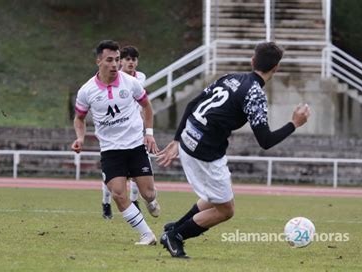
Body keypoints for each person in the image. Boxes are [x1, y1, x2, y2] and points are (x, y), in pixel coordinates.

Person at [156, 42, 311, 258]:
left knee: (215, 198)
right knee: (226, 210)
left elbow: (193, 103)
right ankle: (176, 236)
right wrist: (294, 123)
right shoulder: (255, 94)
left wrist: (177, 139)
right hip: (205, 151)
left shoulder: (230, 77)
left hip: (189, 138)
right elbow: (265, 140)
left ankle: (176, 227)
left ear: (252, 61)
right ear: (275, 68)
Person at [71, 40, 161, 245]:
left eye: (117, 59)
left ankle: (153, 199)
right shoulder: (87, 90)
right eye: (109, 60)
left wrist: (149, 133)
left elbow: (147, 106)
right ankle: (147, 235)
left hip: (136, 145)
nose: (114, 64)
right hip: (111, 150)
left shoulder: (131, 83)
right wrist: (80, 137)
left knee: (147, 193)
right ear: (99, 61)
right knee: (119, 194)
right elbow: (79, 118)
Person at [101, 45, 146, 219]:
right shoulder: (113, 78)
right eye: (127, 59)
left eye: (134, 59)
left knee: (138, 173)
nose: (131, 63)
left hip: (134, 130)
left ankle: (135, 201)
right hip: (113, 131)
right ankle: (106, 203)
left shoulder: (140, 78)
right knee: (112, 175)